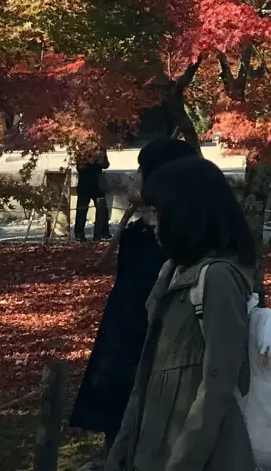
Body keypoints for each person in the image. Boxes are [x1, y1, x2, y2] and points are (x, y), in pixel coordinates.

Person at [104, 155, 259, 471]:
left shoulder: (216, 277)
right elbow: (145, 380)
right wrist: (119, 456)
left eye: (157, 212)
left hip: (196, 456)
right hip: (152, 446)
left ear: (185, 213)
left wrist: (182, 462)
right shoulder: (172, 271)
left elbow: (218, 383)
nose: (153, 222)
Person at [71, 138, 203, 445]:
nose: (132, 177)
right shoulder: (137, 235)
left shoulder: (181, 244)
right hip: (121, 345)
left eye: (142, 170)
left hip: (159, 358)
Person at [75, 145, 112, 241]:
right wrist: (91, 159)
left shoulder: (101, 149)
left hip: (97, 185)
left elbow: (106, 165)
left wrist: (101, 159)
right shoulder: (82, 150)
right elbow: (79, 168)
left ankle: (104, 232)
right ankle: (79, 233)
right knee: (82, 210)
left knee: (103, 209)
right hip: (84, 185)